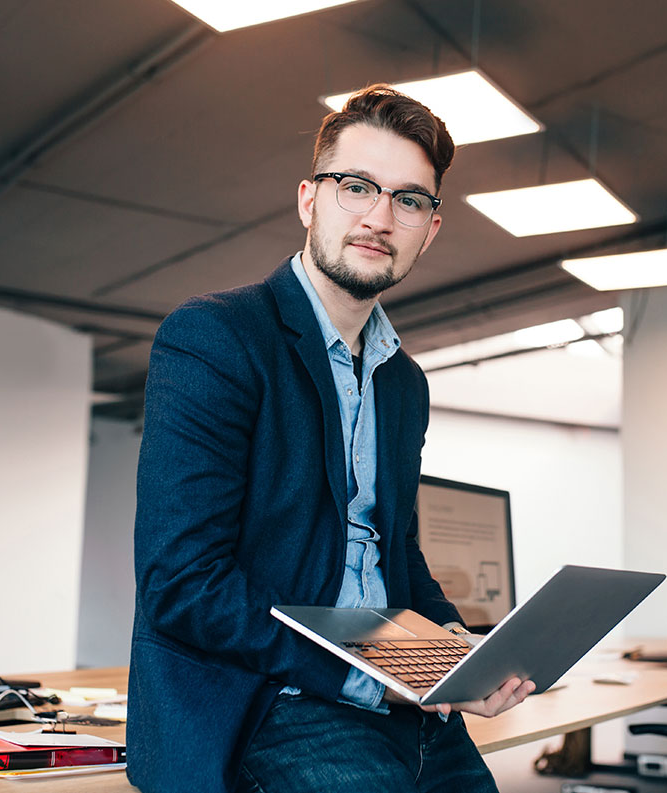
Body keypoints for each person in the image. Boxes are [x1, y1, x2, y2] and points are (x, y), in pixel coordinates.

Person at [128, 85, 535, 793]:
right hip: (272, 704)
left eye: (409, 200)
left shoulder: (402, 381)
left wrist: (459, 649)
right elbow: (182, 583)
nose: (380, 217)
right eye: (357, 187)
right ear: (310, 200)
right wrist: (365, 677)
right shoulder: (216, 338)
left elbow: (393, 553)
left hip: (403, 707)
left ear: (430, 229)